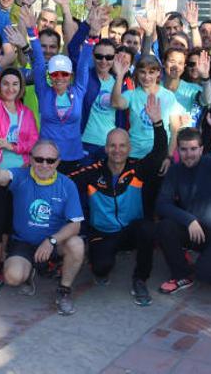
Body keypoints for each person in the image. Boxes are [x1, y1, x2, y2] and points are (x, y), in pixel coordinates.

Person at [69, 94, 167, 306]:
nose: (117, 150)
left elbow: (160, 152)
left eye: (122, 146)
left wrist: (158, 123)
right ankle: (100, 263)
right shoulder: (93, 172)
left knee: (148, 229)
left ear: (129, 148)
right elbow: (64, 182)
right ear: (105, 148)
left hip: (131, 231)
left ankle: (140, 280)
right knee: (101, 269)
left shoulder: (137, 169)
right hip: (103, 234)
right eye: (112, 145)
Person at [0, 138, 85, 315]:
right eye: (39, 159)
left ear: (58, 162)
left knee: (77, 244)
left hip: (54, 243)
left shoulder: (67, 184)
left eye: (50, 160)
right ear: (31, 159)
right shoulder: (21, 176)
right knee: (13, 278)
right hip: (23, 242)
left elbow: (75, 226)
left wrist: (51, 241)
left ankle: (64, 291)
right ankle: (31, 271)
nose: (44, 164)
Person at [156, 101, 211, 294]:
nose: (188, 154)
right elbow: (162, 204)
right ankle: (181, 275)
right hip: (198, 231)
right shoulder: (175, 171)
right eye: (184, 149)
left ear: (202, 149)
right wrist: (189, 219)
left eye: (193, 149)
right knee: (166, 226)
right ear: (178, 150)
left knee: (206, 274)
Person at [0, 40, 39, 295]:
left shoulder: (27, 113)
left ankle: (13, 264)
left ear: (21, 87)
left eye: (15, 84)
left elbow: (33, 142)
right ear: (0, 87)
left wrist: (13, 146)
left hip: (21, 176)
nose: (10, 88)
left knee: (14, 224)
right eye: (5, 84)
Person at [18, 7, 93, 174]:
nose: (59, 77)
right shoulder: (43, 92)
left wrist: (92, 36)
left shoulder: (78, 91)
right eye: (55, 74)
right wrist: (31, 30)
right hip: (45, 159)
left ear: (71, 75)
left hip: (73, 158)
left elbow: (83, 64)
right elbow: (38, 61)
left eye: (64, 74)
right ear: (49, 76)